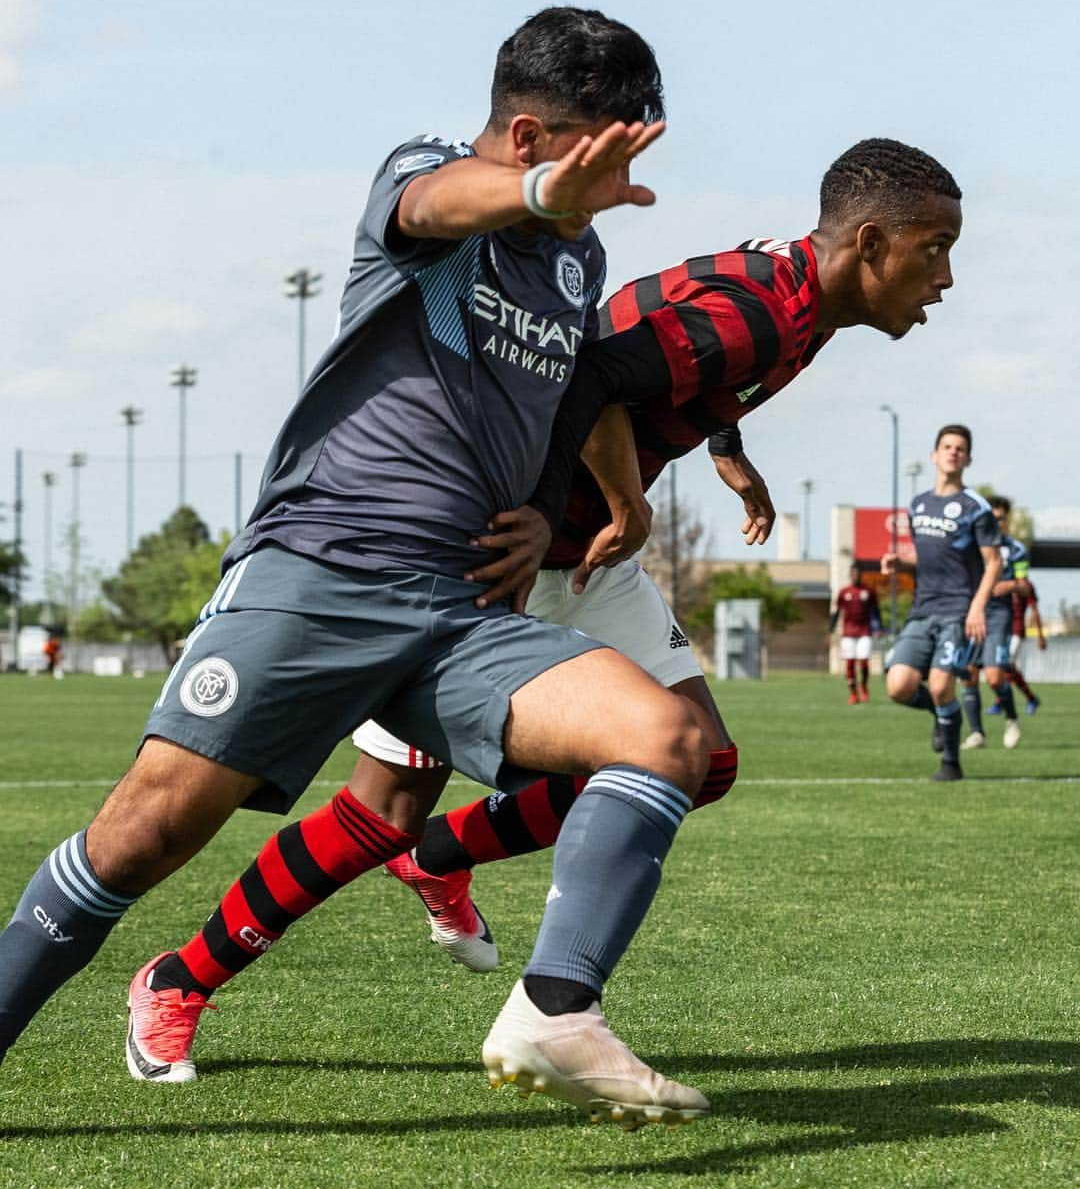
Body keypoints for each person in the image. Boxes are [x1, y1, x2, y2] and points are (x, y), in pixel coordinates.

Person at [0, 7, 719, 1132]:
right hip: (323, 569)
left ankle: (555, 1008)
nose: (613, 176)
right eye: (596, 151)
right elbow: (439, 205)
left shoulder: (578, 257)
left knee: (674, 740)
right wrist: (537, 198)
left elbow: (567, 389)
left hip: (468, 612)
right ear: (529, 137)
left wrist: (554, 509)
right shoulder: (427, 176)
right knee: (139, 838)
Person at [136, 136, 964, 1066]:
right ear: (872, 242)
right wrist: (578, 506)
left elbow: (674, 355)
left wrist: (725, 451)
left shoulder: (796, 293)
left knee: (703, 759)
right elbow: (592, 363)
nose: (943, 277)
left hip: (591, 556)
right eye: (935, 249)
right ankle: (179, 980)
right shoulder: (765, 313)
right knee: (383, 811)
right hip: (505, 557)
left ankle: (442, 859)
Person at [882, 426, 1002, 781]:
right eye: (947, 446)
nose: (953, 452)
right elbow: (934, 558)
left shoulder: (975, 507)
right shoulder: (918, 504)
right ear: (934, 455)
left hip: (959, 611)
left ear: (968, 459)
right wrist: (901, 564)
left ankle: (951, 764)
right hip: (922, 609)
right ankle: (941, 712)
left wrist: (978, 607)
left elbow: (993, 562)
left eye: (960, 448)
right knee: (898, 687)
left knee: (939, 685)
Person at [959, 496, 1027, 750]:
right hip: (972, 613)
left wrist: (1011, 585)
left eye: (1000, 518)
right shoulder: (972, 547)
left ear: (1006, 520)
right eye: (992, 518)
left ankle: (1011, 719)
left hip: (999, 615)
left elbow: (1025, 585)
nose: (996, 523)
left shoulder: (1016, 549)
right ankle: (977, 733)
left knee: (995, 676)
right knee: (968, 675)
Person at [829, 564, 881, 703]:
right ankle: (853, 693)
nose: (855, 576)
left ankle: (864, 687)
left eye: (857, 573)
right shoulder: (844, 592)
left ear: (860, 575)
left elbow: (876, 611)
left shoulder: (869, 591)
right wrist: (831, 631)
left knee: (863, 661)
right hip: (848, 632)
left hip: (865, 631)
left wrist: (878, 628)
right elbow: (837, 613)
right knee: (850, 663)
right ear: (850, 575)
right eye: (853, 573)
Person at [994, 576, 1045, 715]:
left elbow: (1034, 611)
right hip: (1002, 630)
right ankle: (1031, 698)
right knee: (1006, 667)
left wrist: (1040, 635)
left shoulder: (1025, 585)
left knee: (1007, 664)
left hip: (1017, 630)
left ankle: (1000, 703)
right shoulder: (1002, 581)